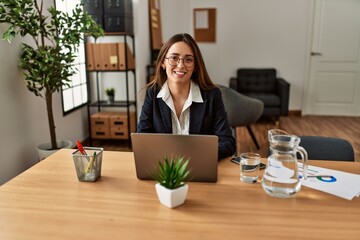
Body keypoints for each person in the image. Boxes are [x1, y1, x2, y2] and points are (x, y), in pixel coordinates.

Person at [137, 33, 236, 159]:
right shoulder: (152, 93)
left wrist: (197, 155)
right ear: (163, 62)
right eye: (174, 58)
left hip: (200, 166)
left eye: (188, 59)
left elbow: (228, 142)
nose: (181, 65)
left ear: (195, 66)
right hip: (164, 170)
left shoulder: (212, 95)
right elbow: (143, 138)